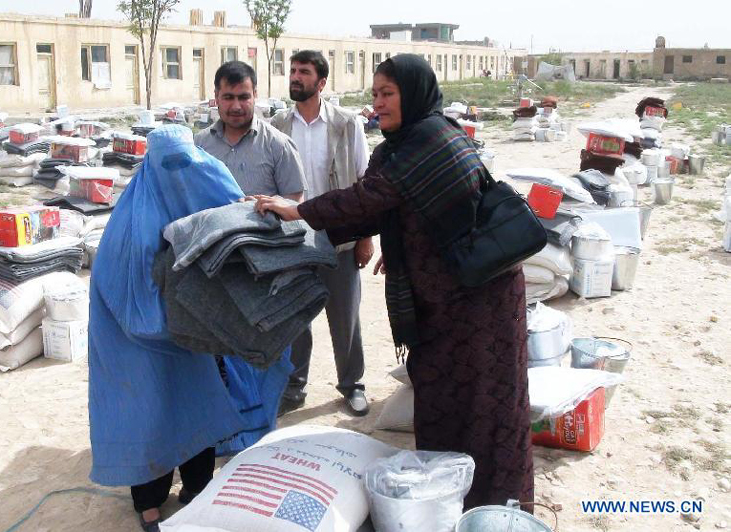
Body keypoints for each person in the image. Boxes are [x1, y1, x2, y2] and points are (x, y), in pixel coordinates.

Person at [252, 54, 534, 509]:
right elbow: (389, 209)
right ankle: (447, 502)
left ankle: (495, 508)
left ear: (414, 93)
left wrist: (297, 211)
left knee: (485, 410)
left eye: (387, 94)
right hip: (443, 302)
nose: (377, 104)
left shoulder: (430, 140)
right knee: (443, 405)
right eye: (375, 94)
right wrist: (399, 247)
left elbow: (367, 200)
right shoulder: (402, 146)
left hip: (479, 304)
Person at [88, 125, 292, 532]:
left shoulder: (205, 181)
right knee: (149, 412)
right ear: (152, 164)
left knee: (202, 403)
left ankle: (197, 489)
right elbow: (126, 298)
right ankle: (149, 503)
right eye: (170, 165)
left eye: (186, 162)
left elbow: (234, 218)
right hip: (138, 344)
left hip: (196, 336)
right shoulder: (131, 220)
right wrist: (179, 319)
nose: (179, 174)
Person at [270, 50, 373, 417]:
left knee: (345, 316)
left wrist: (365, 237)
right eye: (293, 70)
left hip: (339, 238)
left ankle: (352, 384)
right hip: (294, 239)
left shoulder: (347, 125)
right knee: (295, 318)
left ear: (322, 82)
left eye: (304, 72)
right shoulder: (277, 125)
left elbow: (364, 183)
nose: (295, 77)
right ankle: (294, 387)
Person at [195, 61, 306, 202]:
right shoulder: (199, 145)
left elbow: (295, 203)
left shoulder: (280, 146)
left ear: (255, 95)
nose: (236, 106)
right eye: (228, 97)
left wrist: (266, 208)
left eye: (243, 97)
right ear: (216, 97)